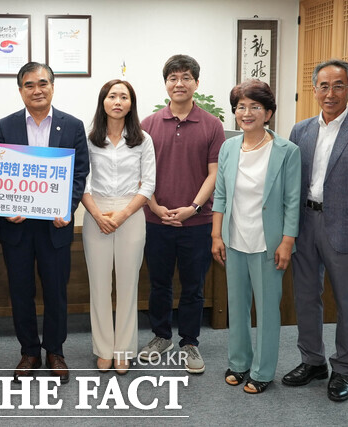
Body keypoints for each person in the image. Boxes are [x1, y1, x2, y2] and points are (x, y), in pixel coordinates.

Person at [282, 59, 348, 402]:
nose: (330, 93)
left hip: (345, 229)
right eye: (324, 86)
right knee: (305, 297)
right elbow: (292, 184)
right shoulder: (300, 130)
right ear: (314, 90)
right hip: (305, 224)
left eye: (338, 85)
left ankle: (343, 368)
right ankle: (312, 360)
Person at [0, 62, 89, 384]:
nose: (37, 90)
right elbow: (0, 174)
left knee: (56, 293)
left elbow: (79, 174)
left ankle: (55, 351)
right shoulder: (4, 126)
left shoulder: (72, 126)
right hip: (17, 228)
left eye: (43, 84)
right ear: (20, 90)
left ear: (52, 86)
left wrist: (67, 207)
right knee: (21, 292)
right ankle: (29, 351)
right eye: (29, 85)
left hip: (55, 226)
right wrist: (6, 207)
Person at [211, 80, 300, 394]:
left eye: (254, 107)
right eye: (240, 107)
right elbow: (220, 195)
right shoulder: (228, 147)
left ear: (268, 113)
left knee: (266, 309)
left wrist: (287, 241)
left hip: (269, 242)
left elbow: (292, 200)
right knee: (237, 306)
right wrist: (216, 235)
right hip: (234, 239)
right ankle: (239, 363)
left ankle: (262, 371)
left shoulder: (287, 151)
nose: (246, 113)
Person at [139, 54, 225, 373]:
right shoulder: (147, 125)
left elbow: (214, 174)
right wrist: (155, 206)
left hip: (197, 222)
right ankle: (161, 336)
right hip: (156, 219)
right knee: (159, 283)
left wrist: (193, 208)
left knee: (193, 286)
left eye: (186, 77)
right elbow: (141, 173)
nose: (179, 83)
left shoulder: (212, 125)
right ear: (166, 84)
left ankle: (189, 342)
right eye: (173, 77)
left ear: (196, 84)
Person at [82, 80, 156, 374]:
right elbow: (82, 181)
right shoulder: (89, 139)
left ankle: (124, 349)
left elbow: (148, 183)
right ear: (103, 102)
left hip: (131, 213)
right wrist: (99, 215)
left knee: (128, 285)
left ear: (130, 104)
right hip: (95, 212)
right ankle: (103, 348)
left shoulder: (143, 140)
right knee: (99, 285)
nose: (117, 101)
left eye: (124, 97)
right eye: (112, 96)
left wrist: (123, 214)